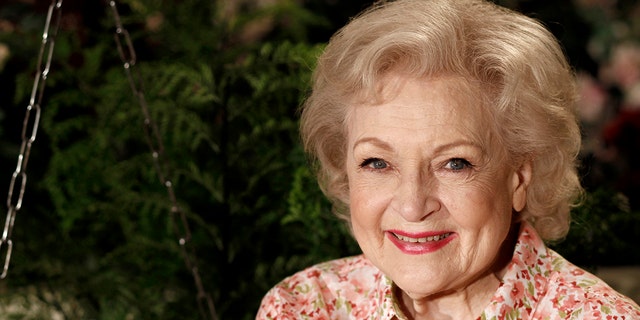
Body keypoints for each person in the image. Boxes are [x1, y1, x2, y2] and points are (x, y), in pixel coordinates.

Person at [256, 0, 640, 319]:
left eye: (455, 163)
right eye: (377, 163)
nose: (412, 205)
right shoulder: (302, 306)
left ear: (518, 179)